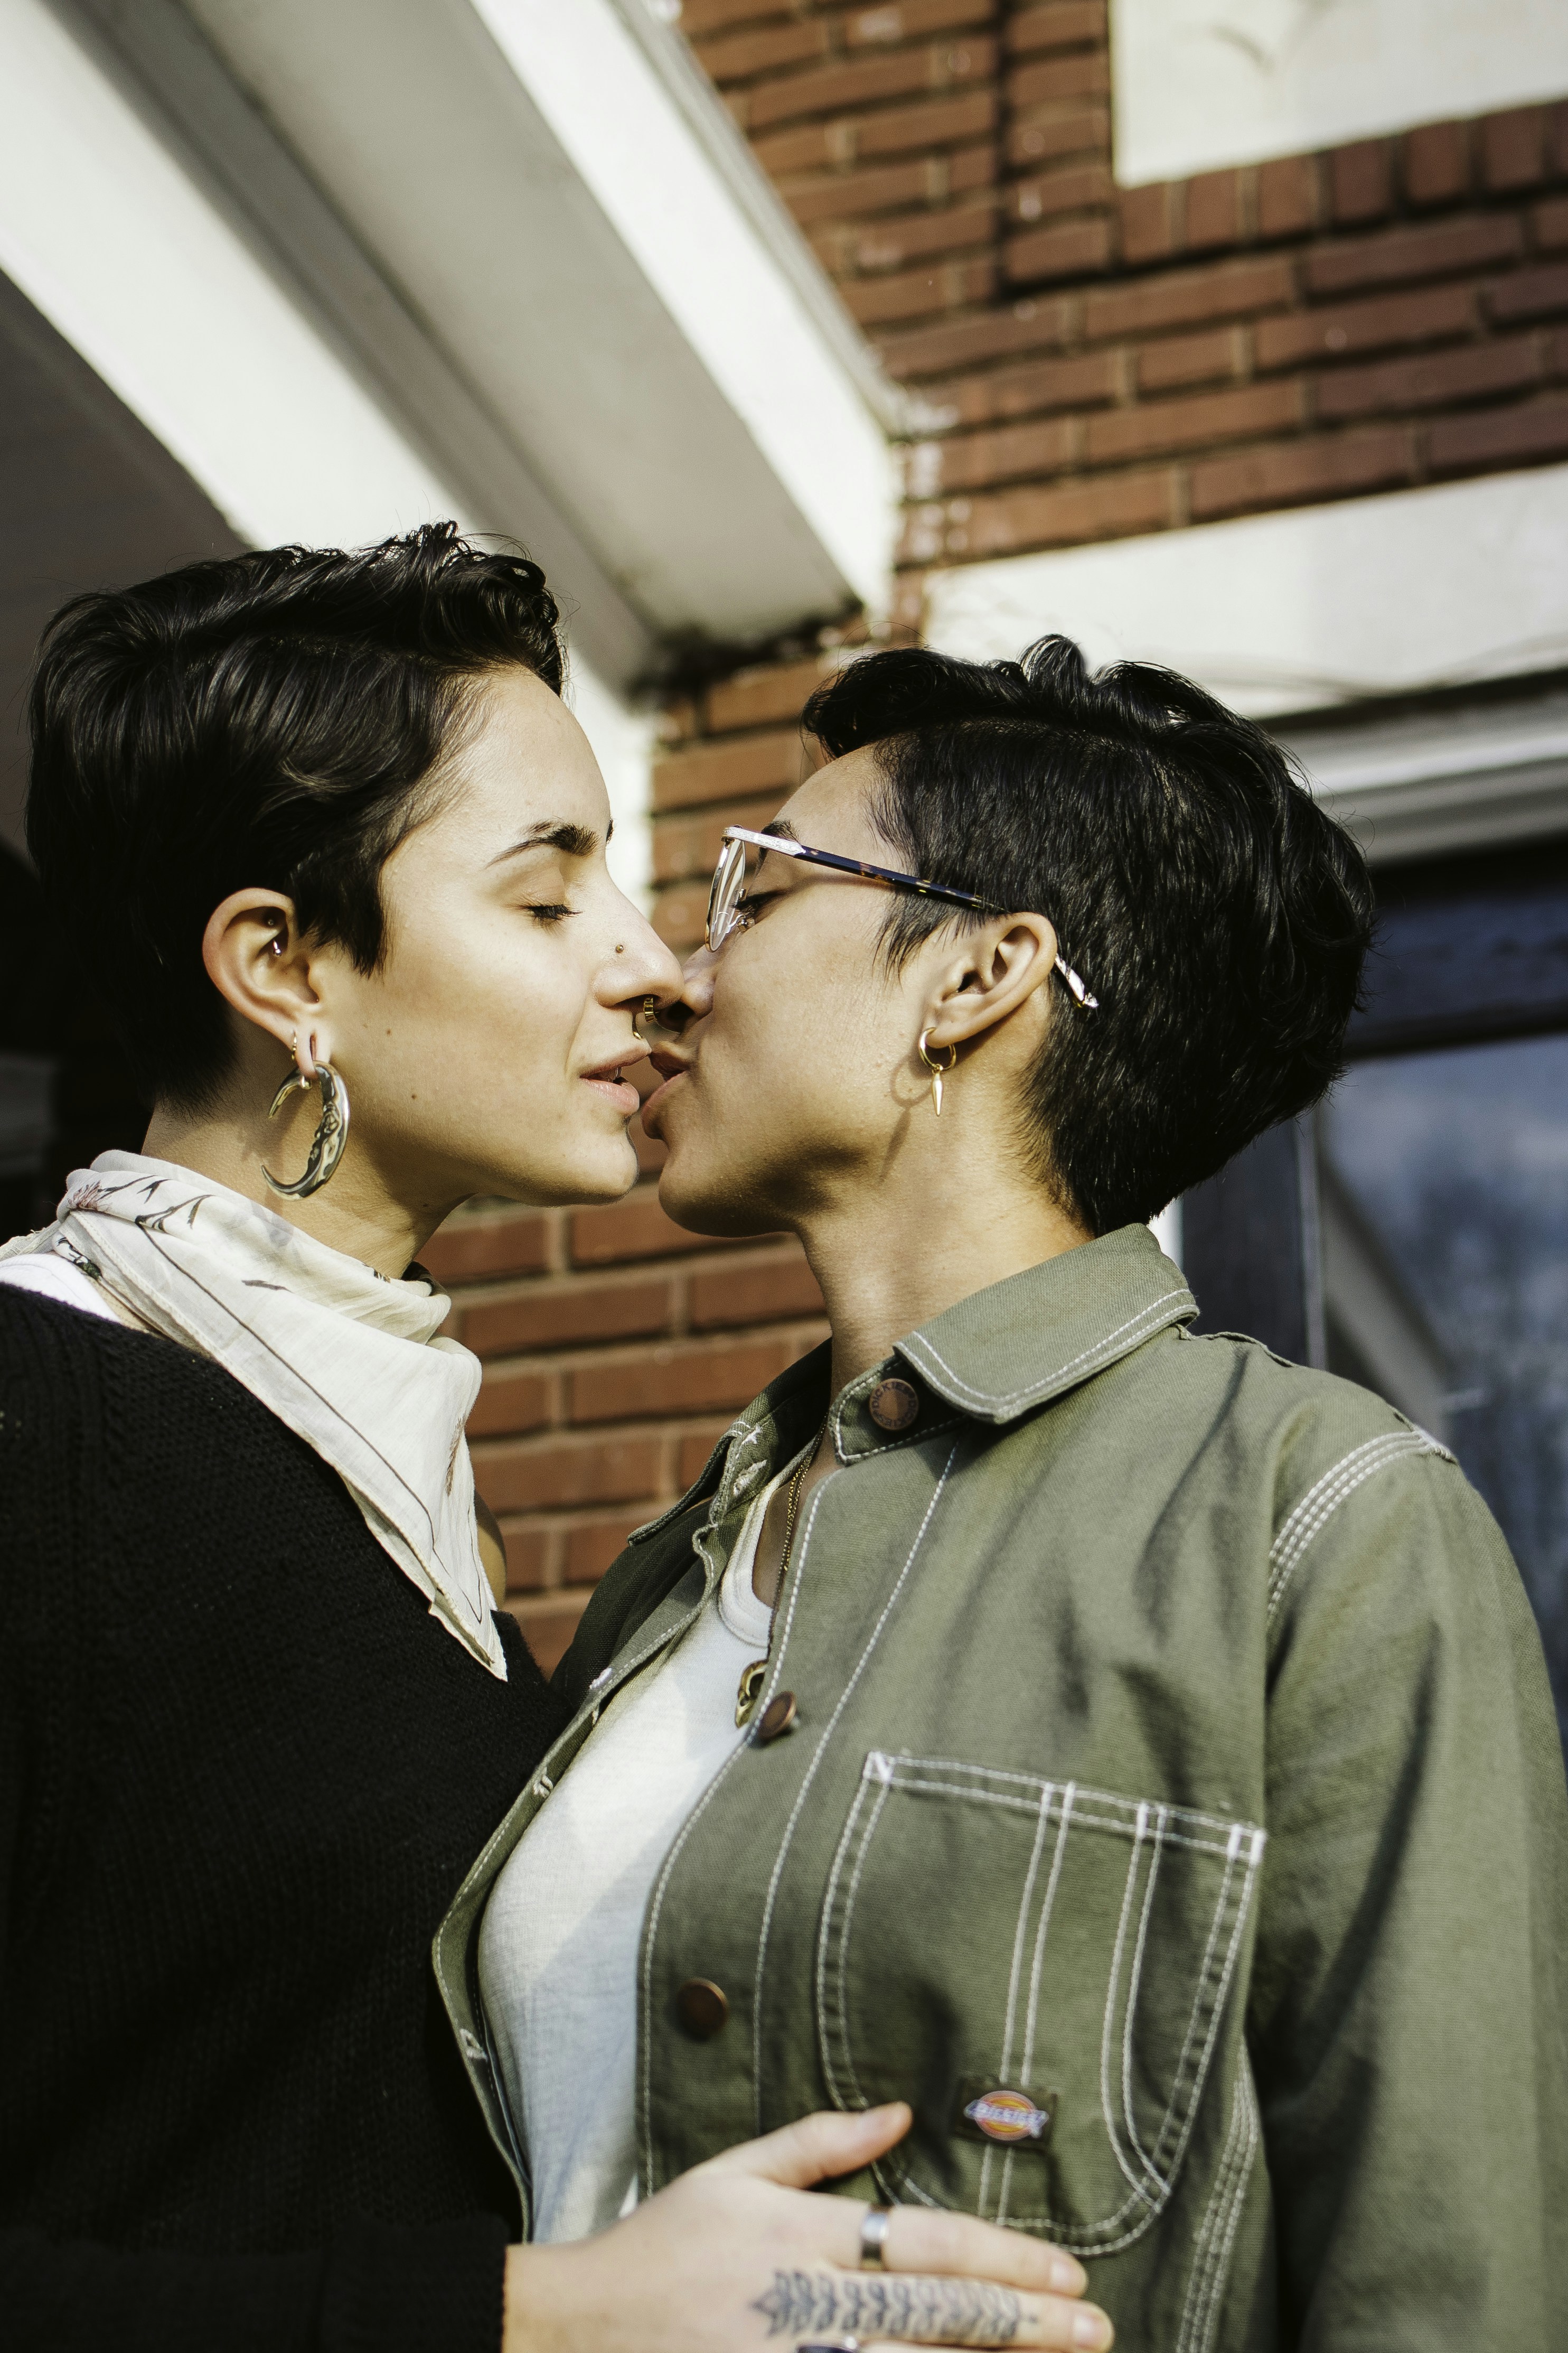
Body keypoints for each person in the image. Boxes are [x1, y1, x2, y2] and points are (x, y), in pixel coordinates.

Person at [0, 535, 1104, 2353]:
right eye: (547, 899)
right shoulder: (36, 1426)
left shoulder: (379, 1466)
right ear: (284, 965)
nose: (660, 970)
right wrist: (538, 2316)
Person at [444, 637, 1568, 2349]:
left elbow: (1446, 2289)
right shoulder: (664, 1580)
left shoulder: (1314, 1527)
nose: (677, 972)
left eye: (753, 891)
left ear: (975, 976)